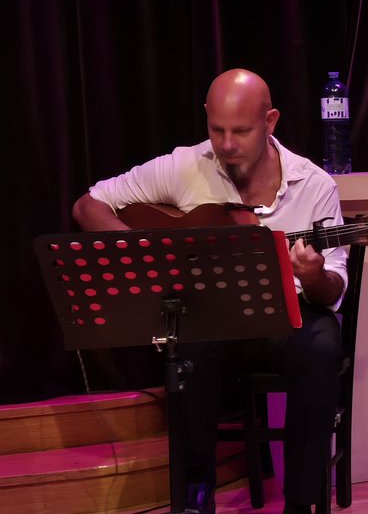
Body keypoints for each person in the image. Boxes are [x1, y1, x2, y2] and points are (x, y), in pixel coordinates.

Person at [72, 69, 347, 514]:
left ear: (270, 121)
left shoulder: (314, 185)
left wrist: (313, 275)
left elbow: (332, 287)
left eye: (241, 131)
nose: (227, 144)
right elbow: (89, 204)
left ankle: (301, 503)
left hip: (287, 314)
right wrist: (141, 252)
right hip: (213, 317)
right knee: (187, 350)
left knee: (322, 347)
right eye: (217, 130)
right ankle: (196, 495)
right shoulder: (183, 165)